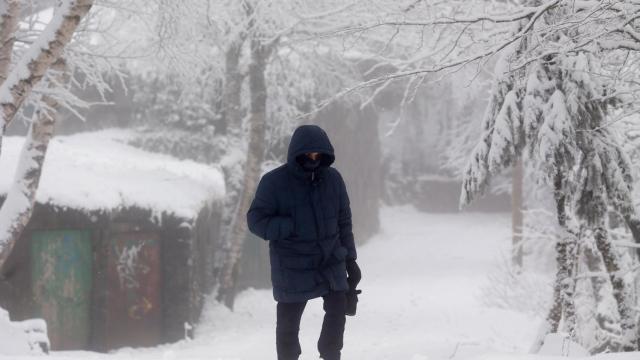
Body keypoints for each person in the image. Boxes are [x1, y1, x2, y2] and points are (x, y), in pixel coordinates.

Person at [247, 124, 362, 360]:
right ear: (295, 153)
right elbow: (255, 220)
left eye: (318, 154)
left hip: (330, 260)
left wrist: (350, 259)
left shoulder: (333, 179)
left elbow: (344, 221)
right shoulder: (274, 182)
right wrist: (288, 226)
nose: (313, 158)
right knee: (288, 327)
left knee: (337, 310)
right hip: (292, 265)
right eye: (308, 154)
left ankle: (331, 354)